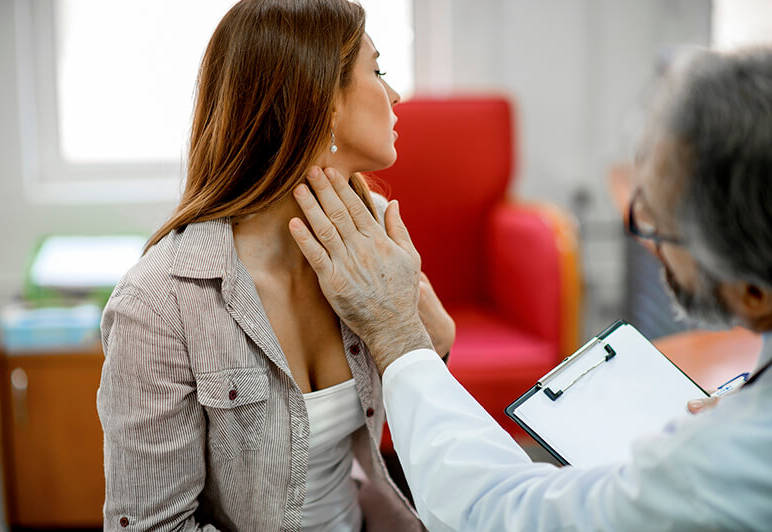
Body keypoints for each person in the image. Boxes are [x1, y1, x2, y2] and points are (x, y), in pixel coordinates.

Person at [287, 47, 772, 531]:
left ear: (755, 294)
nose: (646, 232)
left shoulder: (726, 463)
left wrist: (397, 335)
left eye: (660, 229)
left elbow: (496, 513)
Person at [96, 1, 455, 530]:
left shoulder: (372, 233)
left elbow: (429, 429)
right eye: (377, 71)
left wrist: (436, 342)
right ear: (323, 103)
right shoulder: (160, 303)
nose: (395, 94)